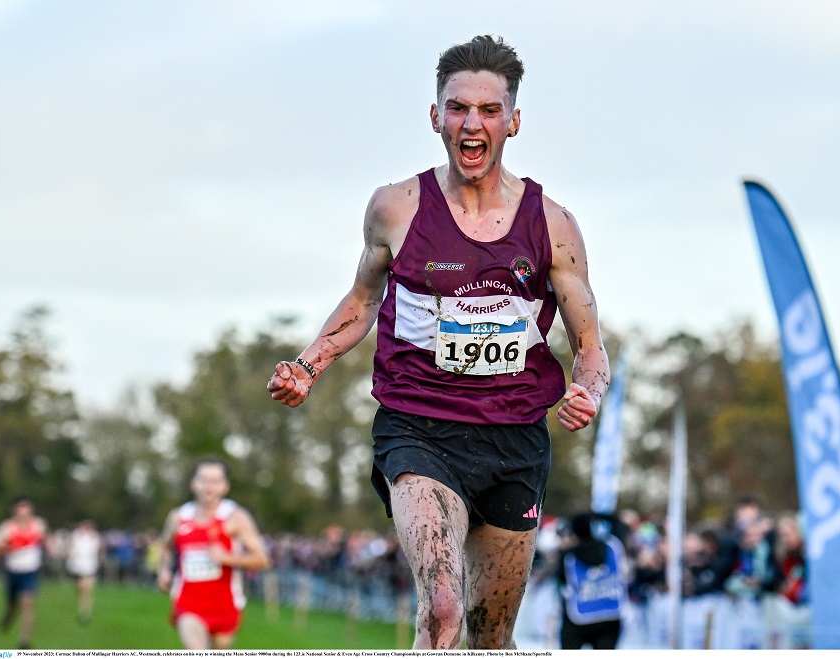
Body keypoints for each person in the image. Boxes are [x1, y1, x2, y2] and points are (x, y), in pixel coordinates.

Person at [267, 34, 609, 649]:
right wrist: (308, 364)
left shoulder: (553, 225)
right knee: (443, 609)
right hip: (419, 430)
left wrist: (589, 392)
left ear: (513, 122)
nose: (472, 124)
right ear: (435, 117)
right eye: (458, 108)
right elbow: (363, 299)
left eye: (488, 110)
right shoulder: (395, 208)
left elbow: (590, 347)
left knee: (491, 638)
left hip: (514, 440)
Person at [156, 457, 271, 649]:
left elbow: (262, 559)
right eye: (203, 480)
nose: (208, 487)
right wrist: (163, 571)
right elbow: (165, 546)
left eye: (215, 481)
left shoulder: (235, 517)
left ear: (225, 487)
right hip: (188, 604)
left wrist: (227, 558)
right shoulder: (178, 517)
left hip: (225, 606)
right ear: (193, 483)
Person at [556, 513, 628, 649]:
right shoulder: (613, 546)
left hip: (578, 618)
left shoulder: (568, 556)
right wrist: (596, 514)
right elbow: (619, 524)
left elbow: (562, 582)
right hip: (610, 616)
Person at [0, 496, 48, 649]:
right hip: (13, 571)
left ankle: (24, 640)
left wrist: (46, 545)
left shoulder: (38, 525)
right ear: (15, 514)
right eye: (21, 514)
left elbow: (44, 541)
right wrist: (6, 546)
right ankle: (9, 614)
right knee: (12, 605)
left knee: (27, 603)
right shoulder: (7, 527)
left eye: (27, 514)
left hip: (30, 571)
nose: (24, 517)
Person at [66, 519, 103, 624]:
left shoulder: (94, 537)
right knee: (80, 588)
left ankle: (85, 610)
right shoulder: (76, 535)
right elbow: (71, 547)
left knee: (88, 589)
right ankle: (83, 606)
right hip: (77, 565)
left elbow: (98, 549)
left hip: (89, 565)